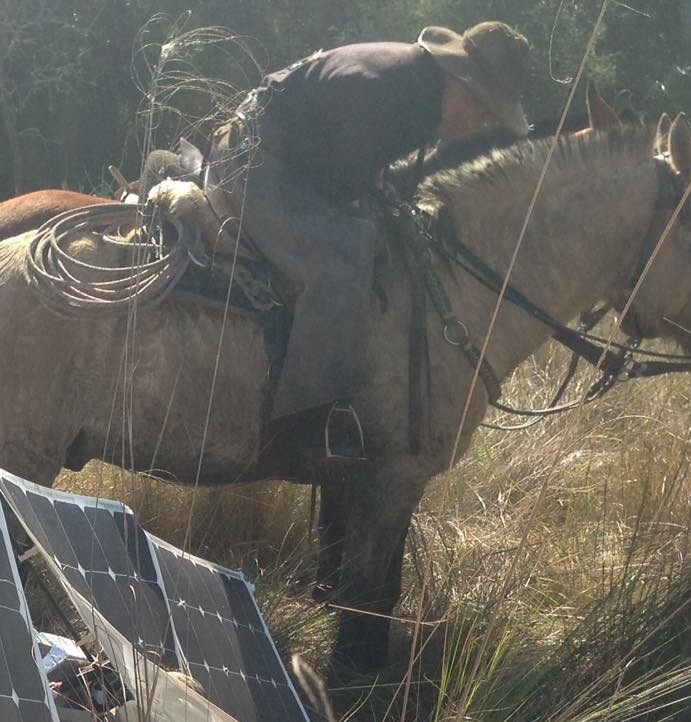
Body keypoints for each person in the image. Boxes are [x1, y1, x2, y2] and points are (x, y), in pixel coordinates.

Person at [207, 22, 533, 455]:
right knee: (344, 260)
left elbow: (354, 164)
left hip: (283, 156)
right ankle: (302, 423)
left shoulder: (418, 89)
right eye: (484, 109)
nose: (481, 123)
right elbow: (337, 180)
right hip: (253, 163)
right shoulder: (386, 90)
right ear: (460, 82)